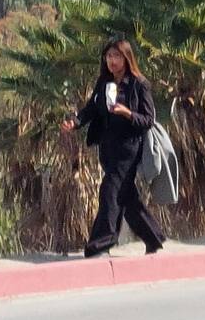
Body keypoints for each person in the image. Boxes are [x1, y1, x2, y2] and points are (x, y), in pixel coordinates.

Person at [61, 38, 165, 258]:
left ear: (126, 58)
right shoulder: (104, 82)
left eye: (117, 56)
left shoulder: (139, 84)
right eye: (109, 56)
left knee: (109, 192)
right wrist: (75, 122)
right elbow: (91, 109)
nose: (112, 61)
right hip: (107, 148)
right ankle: (153, 238)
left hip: (128, 148)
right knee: (126, 196)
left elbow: (148, 120)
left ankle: (100, 244)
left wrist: (127, 113)